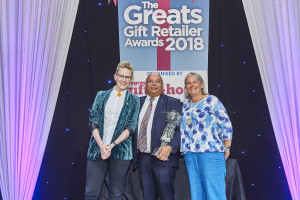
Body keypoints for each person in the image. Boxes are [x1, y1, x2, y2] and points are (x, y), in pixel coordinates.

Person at [85, 61, 140, 200]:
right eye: (121, 76)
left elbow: (131, 127)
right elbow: (93, 121)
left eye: (127, 77)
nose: (124, 80)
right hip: (97, 149)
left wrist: (111, 145)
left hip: (120, 150)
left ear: (131, 80)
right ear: (115, 76)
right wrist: (102, 146)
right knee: (91, 193)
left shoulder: (134, 100)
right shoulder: (101, 95)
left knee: (115, 194)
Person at [180, 72, 233, 200]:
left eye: (194, 82)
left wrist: (227, 147)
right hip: (190, 154)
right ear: (186, 87)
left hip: (211, 152)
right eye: (188, 83)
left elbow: (225, 123)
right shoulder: (185, 105)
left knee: (215, 193)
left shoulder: (212, 100)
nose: (191, 85)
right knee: (197, 194)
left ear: (201, 84)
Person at [132, 73, 182, 200]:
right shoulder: (137, 102)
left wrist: (171, 147)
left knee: (167, 196)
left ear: (162, 85)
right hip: (143, 158)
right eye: (150, 81)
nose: (154, 84)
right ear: (145, 85)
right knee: (147, 197)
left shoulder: (173, 102)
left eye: (157, 81)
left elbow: (180, 129)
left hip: (164, 157)